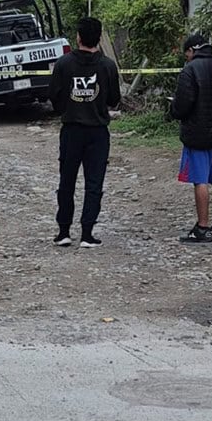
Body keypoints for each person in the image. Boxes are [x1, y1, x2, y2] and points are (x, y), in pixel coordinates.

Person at [48, 17, 121, 248]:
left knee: (67, 181)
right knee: (94, 183)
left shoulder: (63, 64)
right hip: (98, 132)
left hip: (71, 130)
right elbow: (114, 99)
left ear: (78, 37)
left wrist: (69, 107)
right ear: (99, 38)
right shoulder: (108, 66)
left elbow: (55, 97)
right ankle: (88, 233)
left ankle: (63, 232)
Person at [171, 33, 212, 242]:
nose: (186, 58)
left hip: (197, 135)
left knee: (200, 181)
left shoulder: (190, 70)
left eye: (186, 54)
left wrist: (173, 110)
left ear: (191, 51)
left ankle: (202, 227)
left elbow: (183, 104)